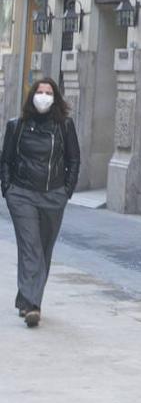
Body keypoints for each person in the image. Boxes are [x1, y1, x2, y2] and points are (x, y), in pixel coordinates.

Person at [1, 78, 81, 329]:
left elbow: (73, 159)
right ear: (32, 96)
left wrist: (66, 191)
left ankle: (26, 298)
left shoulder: (65, 126)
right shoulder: (17, 126)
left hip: (53, 196)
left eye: (48, 92)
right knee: (31, 247)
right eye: (40, 91)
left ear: (55, 98)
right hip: (22, 195)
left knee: (43, 250)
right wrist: (8, 189)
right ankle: (34, 306)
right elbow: (6, 160)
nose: (43, 96)